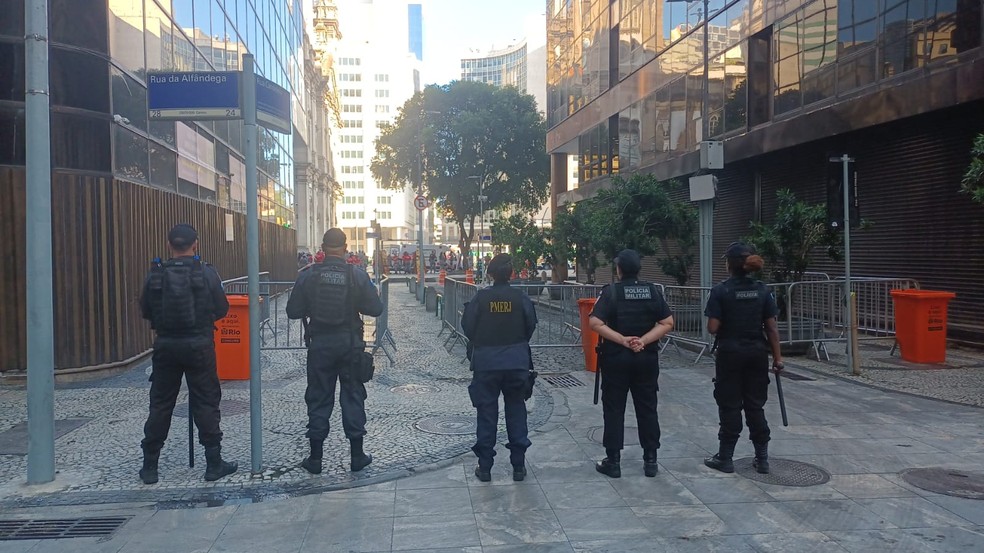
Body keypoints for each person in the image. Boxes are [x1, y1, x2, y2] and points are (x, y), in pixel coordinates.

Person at [138, 223, 238, 484]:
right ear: (196, 244)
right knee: (206, 401)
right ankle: (213, 463)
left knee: (160, 404)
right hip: (199, 345)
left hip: (166, 346)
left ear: (169, 245)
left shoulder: (155, 274)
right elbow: (222, 308)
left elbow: (146, 310)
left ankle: (150, 466)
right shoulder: (206, 273)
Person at [287, 228, 383, 475]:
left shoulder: (308, 276)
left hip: (320, 345)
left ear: (322, 247)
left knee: (318, 397)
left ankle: (316, 459)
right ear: (345, 247)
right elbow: (376, 309)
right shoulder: (357, 275)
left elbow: (292, 311)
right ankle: (357, 456)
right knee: (352, 396)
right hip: (350, 344)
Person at [588, 249, 674, 478]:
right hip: (645, 358)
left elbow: (595, 322)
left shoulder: (611, 293)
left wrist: (623, 340)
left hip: (616, 358)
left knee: (614, 409)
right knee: (647, 407)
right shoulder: (652, 291)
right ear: (638, 269)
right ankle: (651, 460)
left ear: (618, 270)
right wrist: (643, 340)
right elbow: (667, 322)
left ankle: (613, 461)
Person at [703, 242, 783, 474]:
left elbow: (712, 327)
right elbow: (772, 329)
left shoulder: (721, 291)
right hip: (757, 353)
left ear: (729, 264)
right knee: (755, 405)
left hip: (730, 354)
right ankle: (762, 458)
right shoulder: (762, 290)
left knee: (729, 404)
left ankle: (725, 457)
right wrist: (778, 359)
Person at [461, 254, 537, 482]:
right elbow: (530, 326)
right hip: (516, 362)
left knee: (486, 414)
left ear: (490, 274)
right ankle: (518, 466)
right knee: (516, 411)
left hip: (486, 363)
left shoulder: (481, 298)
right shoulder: (520, 297)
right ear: (511, 274)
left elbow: (468, 326)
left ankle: (485, 467)